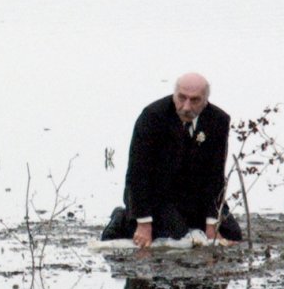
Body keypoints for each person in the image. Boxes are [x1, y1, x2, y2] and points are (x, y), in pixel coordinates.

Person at [102, 72, 241, 245]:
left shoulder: (218, 120)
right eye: (181, 98)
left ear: (206, 100)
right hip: (157, 195)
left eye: (194, 100)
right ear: (174, 94)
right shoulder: (152, 117)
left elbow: (215, 174)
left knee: (233, 234)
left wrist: (212, 224)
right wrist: (144, 223)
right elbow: (137, 174)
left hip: (195, 196)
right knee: (176, 236)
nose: (186, 106)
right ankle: (123, 218)